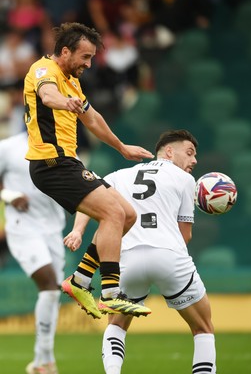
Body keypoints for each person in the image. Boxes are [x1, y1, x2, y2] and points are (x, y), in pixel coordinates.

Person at [23, 21, 153, 319]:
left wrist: (122, 147)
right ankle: (110, 292)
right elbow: (47, 96)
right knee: (113, 213)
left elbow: (92, 119)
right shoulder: (44, 71)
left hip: (68, 162)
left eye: (92, 57)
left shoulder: (72, 81)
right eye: (85, 57)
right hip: (50, 163)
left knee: (128, 215)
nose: (89, 64)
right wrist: (64, 102)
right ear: (65, 51)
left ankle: (81, 280)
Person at [64, 129, 216, 374]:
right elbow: (184, 235)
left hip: (126, 260)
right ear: (168, 152)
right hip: (169, 257)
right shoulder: (185, 180)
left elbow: (88, 198)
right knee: (203, 328)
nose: (194, 160)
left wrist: (78, 231)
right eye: (189, 153)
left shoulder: (118, 175)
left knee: (116, 325)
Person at [0, 131, 66, 374]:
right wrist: (8, 195)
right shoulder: (8, 147)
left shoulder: (64, 145)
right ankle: (44, 361)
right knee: (48, 284)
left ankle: (41, 361)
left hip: (53, 228)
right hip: (23, 227)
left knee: (52, 293)